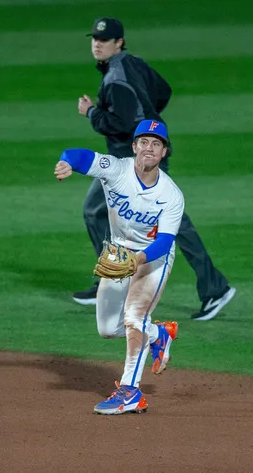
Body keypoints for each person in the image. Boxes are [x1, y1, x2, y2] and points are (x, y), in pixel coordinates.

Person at [72, 17, 236, 321]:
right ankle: (114, 279)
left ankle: (214, 288)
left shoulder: (115, 79)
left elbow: (121, 124)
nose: (97, 44)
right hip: (146, 152)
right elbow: (164, 91)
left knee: (165, 222)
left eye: (104, 40)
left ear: (118, 42)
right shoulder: (132, 63)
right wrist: (151, 121)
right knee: (102, 212)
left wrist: (91, 112)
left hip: (133, 160)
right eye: (94, 38)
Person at [54, 120, 182, 414]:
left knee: (134, 317)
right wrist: (66, 162)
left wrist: (135, 262)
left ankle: (130, 392)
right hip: (118, 252)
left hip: (152, 259)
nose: (149, 148)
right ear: (134, 146)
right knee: (108, 328)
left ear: (163, 153)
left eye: (156, 144)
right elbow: (80, 155)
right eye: (144, 142)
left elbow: (163, 243)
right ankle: (157, 334)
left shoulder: (171, 195)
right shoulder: (116, 169)